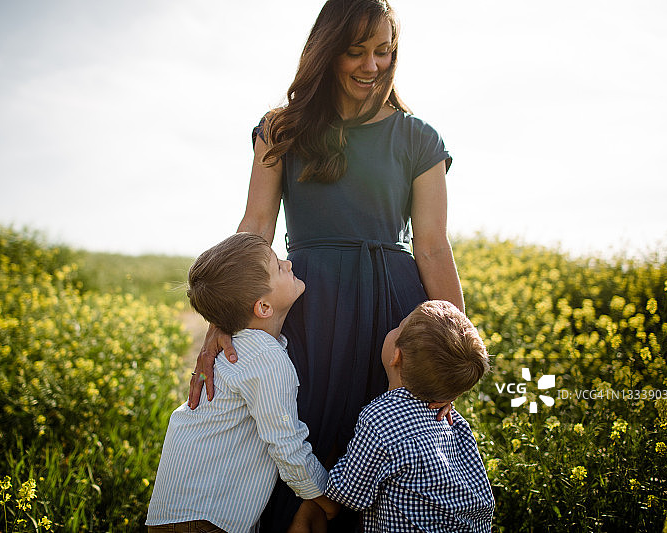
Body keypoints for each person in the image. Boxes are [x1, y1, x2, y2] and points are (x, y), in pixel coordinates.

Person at [189, 0, 464, 529]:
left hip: (394, 308)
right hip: (307, 306)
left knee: (388, 448)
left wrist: (454, 345)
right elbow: (256, 225)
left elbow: (432, 245)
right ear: (327, 50)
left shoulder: (418, 138)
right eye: (355, 51)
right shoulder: (281, 129)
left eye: (383, 51)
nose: (372, 66)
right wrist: (223, 318)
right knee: (298, 434)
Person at [146, 233, 338, 533]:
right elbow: (287, 446)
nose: (289, 264)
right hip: (206, 521)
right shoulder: (264, 357)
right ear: (263, 307)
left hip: (175, 514)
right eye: (278, 267)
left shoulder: (240, 349)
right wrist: (329, 500)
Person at [293, 300, 495, 531]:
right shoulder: (453, 420)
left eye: (399, 326)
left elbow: (349, 494)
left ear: (396, 356)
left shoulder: (381, 419)